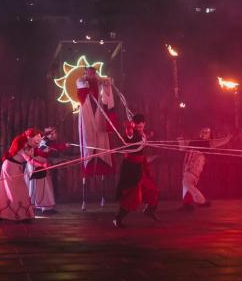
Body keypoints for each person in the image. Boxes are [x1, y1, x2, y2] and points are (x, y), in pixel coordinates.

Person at [76, 67, 116, 203]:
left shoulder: (98, 81)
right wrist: (90, 82)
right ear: (85, 73)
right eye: (89, 73)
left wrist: (106, 83)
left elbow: (106, 84)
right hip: (87, 114)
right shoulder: (81, 80)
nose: (91, 75)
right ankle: (85, 197)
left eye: (93, 73)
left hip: (99, 114)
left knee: (102, 143)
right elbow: (81, 86)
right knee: (88, 142)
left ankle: (103, 194)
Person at [113, 114, 159, 228]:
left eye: (141, 126)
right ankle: (117, 219)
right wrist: (129, 127)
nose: (139, 128)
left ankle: (149, 210)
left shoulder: (142, 133)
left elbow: (145, 135)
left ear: (144, 124)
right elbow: (129, 135)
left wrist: (150, 134)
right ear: (133, 125)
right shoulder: (131, 132)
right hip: (131, 169)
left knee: (152, 189)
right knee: (133, 197)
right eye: (137, 127)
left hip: (140, 167)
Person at [0, 128, 47, 223]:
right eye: (36, 140)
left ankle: (21, 215)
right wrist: (42, 165)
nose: (38, 142)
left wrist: (44, 159)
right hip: (10, 167)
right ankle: (11, 215)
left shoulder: (31, 146)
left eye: (39, 140)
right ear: (29, 138)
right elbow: (30, 160)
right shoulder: (22, 145)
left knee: (21, 190)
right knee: (14, 191)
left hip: (17, 167)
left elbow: (36, 155)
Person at [180, 127, 232, 209]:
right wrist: (181, 139)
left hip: (194, 167)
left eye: (206, 132)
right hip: (187, 166)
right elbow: (182, 148)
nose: (204, 133)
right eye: (203, 131)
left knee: (186, 183)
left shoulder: (207, 143)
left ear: (209, 135)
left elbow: (218, 142)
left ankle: (201, 201)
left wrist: (227, 138)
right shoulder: (193, 141)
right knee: (186, 185)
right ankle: (187, 204)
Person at [27, 127, 69, 214]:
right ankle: (45, 208)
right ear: (50, 134)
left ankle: (39, 206)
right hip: (37, 165)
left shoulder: (47, 142)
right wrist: (64, 146)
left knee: (40, 186)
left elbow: (54, 147)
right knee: (43, 186)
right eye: (54, 133)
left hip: (39, 164)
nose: (56, 135)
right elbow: (41, 150)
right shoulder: (44, 141)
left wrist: (65, 146)